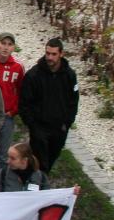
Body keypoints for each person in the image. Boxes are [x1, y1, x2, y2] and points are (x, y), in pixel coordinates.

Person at [18, 38, 80, 173]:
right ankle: (37, 187)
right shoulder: (33, 75)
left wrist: (67, 123)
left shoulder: (69, 75)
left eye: (53, 54)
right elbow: (24, 102)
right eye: (47, 53)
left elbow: (73, 100)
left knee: (51, 160)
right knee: (39, 163)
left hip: (59, 128)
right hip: (39, 127)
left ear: (61, 54)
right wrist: (32, 125)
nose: (49, 57)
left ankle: (40, 184)